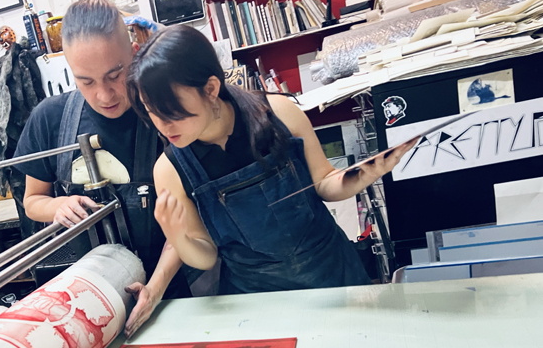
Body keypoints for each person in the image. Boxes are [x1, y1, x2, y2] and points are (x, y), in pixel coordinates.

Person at [127, 25, 418, 295]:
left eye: (172, 111)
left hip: (332, 273)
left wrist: (363, 174)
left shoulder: (278, 112)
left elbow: (325, 182)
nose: (162, 126)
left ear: (211, 88)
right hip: (254, 296)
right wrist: (179, 237)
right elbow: (206, 256)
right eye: (152, 111)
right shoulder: (169, 170)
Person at [13, 0, 189, 337]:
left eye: (115, 74)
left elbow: (188, 217)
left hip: (171, 288)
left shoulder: (164, 112)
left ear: (134, 52)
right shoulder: (49, 119)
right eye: (86, 81)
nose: (104, 94)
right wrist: (57, 205)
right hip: (89, 303)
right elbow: (32, 202)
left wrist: (154, 289)